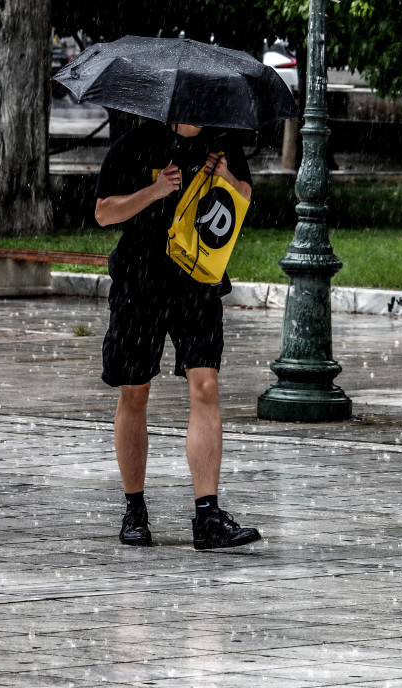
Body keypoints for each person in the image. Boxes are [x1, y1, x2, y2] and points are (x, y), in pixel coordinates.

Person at [94, 119, 260, 550]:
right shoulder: (136, 144)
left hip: (196, 280)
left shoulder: (222, 144)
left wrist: (224, 176)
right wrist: (155, 190)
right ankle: (135, 508)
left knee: (205, 386)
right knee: (135, 391)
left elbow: (244, 198)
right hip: (139, 282)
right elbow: (103, 212)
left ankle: (207, 515)